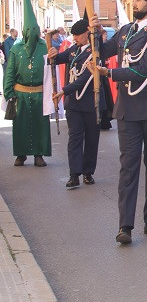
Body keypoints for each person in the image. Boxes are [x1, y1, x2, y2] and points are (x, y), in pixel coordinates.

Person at [91, 0, 147, 244]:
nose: (134, 4)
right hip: (128, 109)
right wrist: (93, 30)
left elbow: (145, 69)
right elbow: (102, 51)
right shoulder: (126, 31)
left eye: (138, 0)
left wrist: (110, 74)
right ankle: (124, 226)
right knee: (128, 167)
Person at [48, 19, 104, 188]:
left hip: (90, 102)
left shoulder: (94, 53)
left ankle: (88, 172)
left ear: (87, 33)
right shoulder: (74, 50)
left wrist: (64, 91)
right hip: (74, 104)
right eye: (73, 35)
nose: (75, 38)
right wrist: (53, 53)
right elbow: (59, 58)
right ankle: (74, 174)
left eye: (78, 35)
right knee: (74, 139)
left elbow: (85, 79)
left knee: (92, 138)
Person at [4, 0, 51, 168]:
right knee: (21, 125)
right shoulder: (16, 49)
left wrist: (51, 94)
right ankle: (21, 154)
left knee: (40, 125)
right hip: (20, 93)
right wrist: (9, 92)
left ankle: (39, 154)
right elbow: (10, 72)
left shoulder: (45, 47)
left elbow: (50, 73)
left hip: (39, 93)